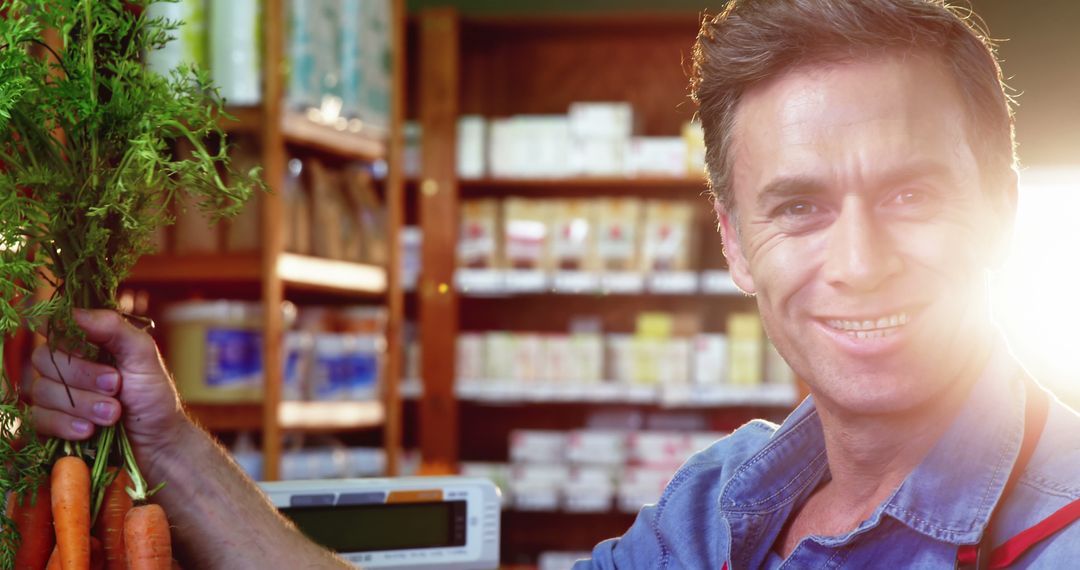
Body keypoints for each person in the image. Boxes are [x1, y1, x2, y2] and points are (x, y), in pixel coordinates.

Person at [23, 1, 1080, 569]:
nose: (857, 261)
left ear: (1002, 207)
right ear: (734, 242)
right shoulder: (724, 505)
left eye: (909, 195)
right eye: (798, 206)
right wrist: (163, 435)